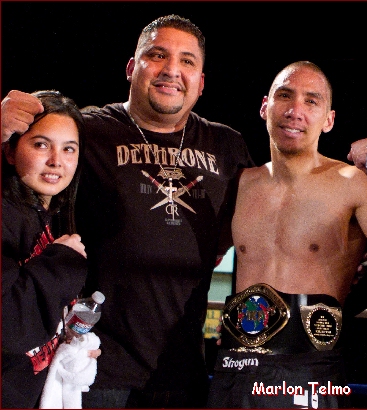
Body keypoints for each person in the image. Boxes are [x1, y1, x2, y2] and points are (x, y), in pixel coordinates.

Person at [1, 15, 253, 408]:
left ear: (201, 82)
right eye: (158, 55)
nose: (172, 70)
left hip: (183, 369)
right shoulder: (86, 130)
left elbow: (256, 225)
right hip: (94, 369)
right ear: (132, 67)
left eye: (187, 60)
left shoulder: (227, 146)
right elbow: (23, 168)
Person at [207, 61, 367, 408]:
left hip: (309, 369)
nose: (295, 110)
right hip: (233, 369)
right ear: (265, 107)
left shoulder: (352, 184)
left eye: (311, 101)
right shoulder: (240, 184)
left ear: (329, 120)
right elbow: (194, 261)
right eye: (285, 95)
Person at [1, 90, 94, 408]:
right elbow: (10, 328)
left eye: (69, 149)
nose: (56, 161)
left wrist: (74, 344)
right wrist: (61, 262)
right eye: (41, 144)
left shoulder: (54, 218)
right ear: (10, 151)